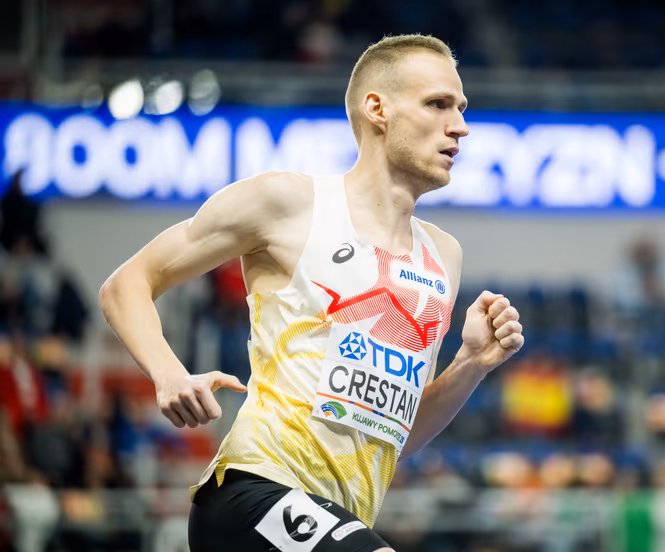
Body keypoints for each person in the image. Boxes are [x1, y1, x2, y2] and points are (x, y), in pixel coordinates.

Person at [98, 34, 524, 552]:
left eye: (461, 108)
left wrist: (472, 363)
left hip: (333, 521)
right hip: (251, 495)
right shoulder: (289, 202)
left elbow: (398, 436)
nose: (459, 125)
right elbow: (127, 284)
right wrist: (167, 372)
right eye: (437, 104)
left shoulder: (443, 256)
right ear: (377, 109)